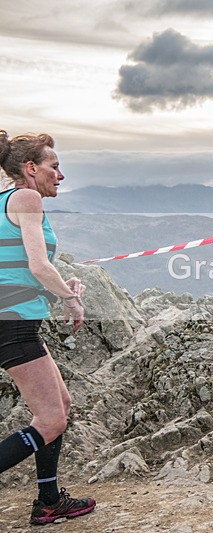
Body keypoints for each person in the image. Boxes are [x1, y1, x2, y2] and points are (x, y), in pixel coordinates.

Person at [0, 131, 95, 525]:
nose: (61, 175)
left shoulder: (7, 200)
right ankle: (49, 501)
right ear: (30, 168)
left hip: (16, 320)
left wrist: (61, 288)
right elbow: (39, 265)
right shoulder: (26, 197)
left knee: (62, 407)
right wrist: (70, 300)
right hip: (13, 325)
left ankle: (50, 500)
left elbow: (22, 269)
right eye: (54, 166)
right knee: (51, 420)